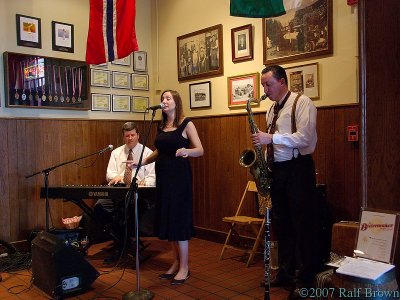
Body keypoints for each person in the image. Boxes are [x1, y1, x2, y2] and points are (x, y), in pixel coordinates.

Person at [250, 65, 319, 296]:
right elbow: (276, 141)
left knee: (302, 223)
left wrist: (270, 137)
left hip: (298, 169)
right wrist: (264, 146)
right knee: (282, 223)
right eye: (263, 85)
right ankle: (286, 272)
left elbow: (305, 138)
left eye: (268, 84)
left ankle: (305, 276)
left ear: (282, 82)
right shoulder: (271, 110)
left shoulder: (302, 102)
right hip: (278, 170)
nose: (265, 89)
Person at [126, 90, 204, 285]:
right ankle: (176, 263)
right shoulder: (162, 126)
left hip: (179, 179)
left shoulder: (187, 124)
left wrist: (187, 151)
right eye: (162, 98)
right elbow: (159, 151)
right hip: (164, 178)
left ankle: (185, 267)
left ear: (176, 102)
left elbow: (200, 150)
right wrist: (141, 163)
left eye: (168, 98)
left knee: (178, 220)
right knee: (169, 219)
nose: (164, 101)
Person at [94, 122, 156, 260]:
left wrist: (143, 182)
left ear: (138, 135)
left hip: (139, 194)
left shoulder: (148, 153)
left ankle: (122, 245)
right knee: (100, 207)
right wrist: (118, 177)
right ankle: (120, 240)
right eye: (127, 136)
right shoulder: (116, 153)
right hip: (118, 191)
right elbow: (109, 174)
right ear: (123, 137)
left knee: (127, 212)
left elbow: (152, 177)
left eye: (132, 135)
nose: (130, 138)